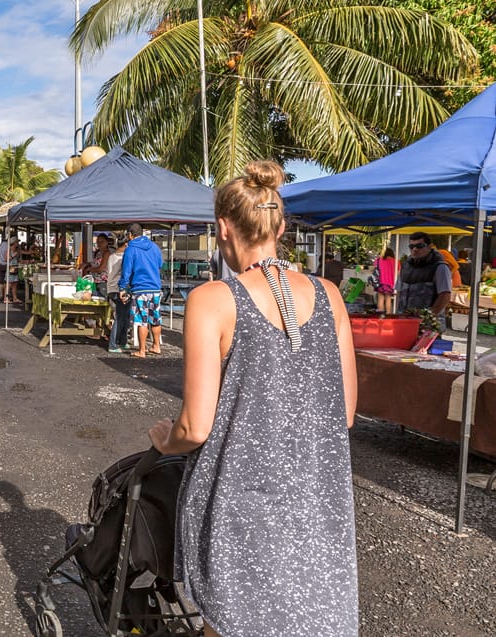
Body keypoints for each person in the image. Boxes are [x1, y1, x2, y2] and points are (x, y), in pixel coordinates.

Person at [148, 160, 358, 637]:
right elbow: (343, 413)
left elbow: (194, 428)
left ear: (222, 228)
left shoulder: (211, 299)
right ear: (281, 227)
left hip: (239, 505)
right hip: (317, 504)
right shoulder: (330, 295)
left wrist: (165, 441)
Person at [118, 223, 164, 357]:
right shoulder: (154, 247)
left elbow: (126, 271)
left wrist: (122, 288)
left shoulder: (130, 249)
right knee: (155, 318)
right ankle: (156, 346)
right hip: (155, 287)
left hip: (140, 288)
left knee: (142, 319)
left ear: (130, 235)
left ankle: (142, 350)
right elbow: (160, 264)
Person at [397, 231, 452, 320]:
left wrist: (428, 318)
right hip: (405, 320)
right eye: (411, 247)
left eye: (419, 246)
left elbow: (445, 295)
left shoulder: (440, 267)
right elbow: (399, 292)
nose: (415, 249)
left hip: (428, 326)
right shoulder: (405, 266)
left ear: (429, 247)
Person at [106, 233, 130, 353]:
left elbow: (108, 272)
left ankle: (123, 341)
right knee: (121, 317)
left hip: (110, 288)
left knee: (124, 315)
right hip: (121, 289)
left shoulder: (111, 256)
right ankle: (113, 344)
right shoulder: (125, 257)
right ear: (126, 244)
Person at [372, 247, 397, 313]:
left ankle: (381, 316)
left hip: (380, 282)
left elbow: (374, 270)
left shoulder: (378, 260)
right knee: (388, 300)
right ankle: (389, 317)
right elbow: (398, 273)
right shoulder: (396, 261)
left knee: (380, 300)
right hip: (390, 284)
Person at [1, 237, 21, 303]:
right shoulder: (9, 250)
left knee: (15, 283)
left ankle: (15, 298)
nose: (18, 243)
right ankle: (5, 298)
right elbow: (5, 259)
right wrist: (13, 256)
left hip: (15, 267)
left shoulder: (16, 250)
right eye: (17, 242)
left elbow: (18, 259)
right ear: (14, 243)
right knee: (9, 283)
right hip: (11, 267)